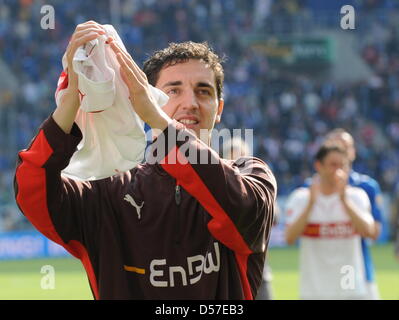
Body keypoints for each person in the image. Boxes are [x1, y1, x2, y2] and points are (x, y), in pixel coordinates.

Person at [13, 21, 276, 300]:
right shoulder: (107, 193)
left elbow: (238, 207)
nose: (190, 102)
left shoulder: (252, 176)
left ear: (219, 108)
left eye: (204, 91)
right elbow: (32, 191)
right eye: (173, 90)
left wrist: (159, 120)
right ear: (147, 97)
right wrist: (70, 103)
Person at [285, 144, 375, 300]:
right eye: (333, 165)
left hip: (350, 288)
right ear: (318, 166)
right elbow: (290, 238)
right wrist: (311, 204)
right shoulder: (301, 198)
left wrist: (344, 200)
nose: (338, 171)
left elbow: (369, 232)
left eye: (343, 165)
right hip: (314, 291)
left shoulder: (357, 197)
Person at [323, 128, 383, 299]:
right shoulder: (310, 189)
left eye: (345, 146)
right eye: (334, 146)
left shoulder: (366, 187)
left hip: (360, 272)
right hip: (322, 274)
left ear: (353, 152)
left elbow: (375, 233)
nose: (339, 151)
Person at [221, 136, 276, 300]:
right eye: (234, 157)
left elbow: (273, 216)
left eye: (243, 157)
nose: (239, 163)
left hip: (258, 273)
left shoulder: (260, 187)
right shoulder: (217, 189)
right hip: (227, 274)